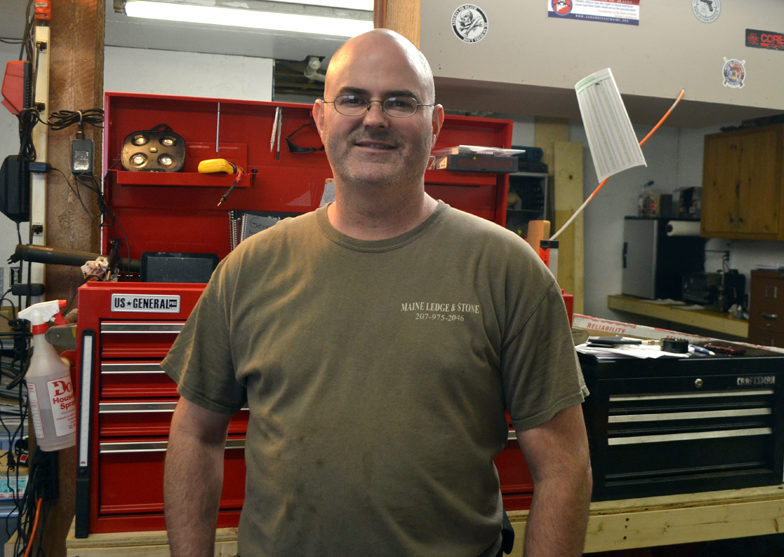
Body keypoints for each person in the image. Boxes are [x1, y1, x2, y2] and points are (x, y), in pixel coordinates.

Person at [162, 28, 592, 557]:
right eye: (353, 99)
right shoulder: (250, 268)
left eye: (400, 102)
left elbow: (564, 467)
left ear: (435, 125)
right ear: (320, 119)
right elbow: (194, 435)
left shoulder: (507, 269)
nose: (374, 118)